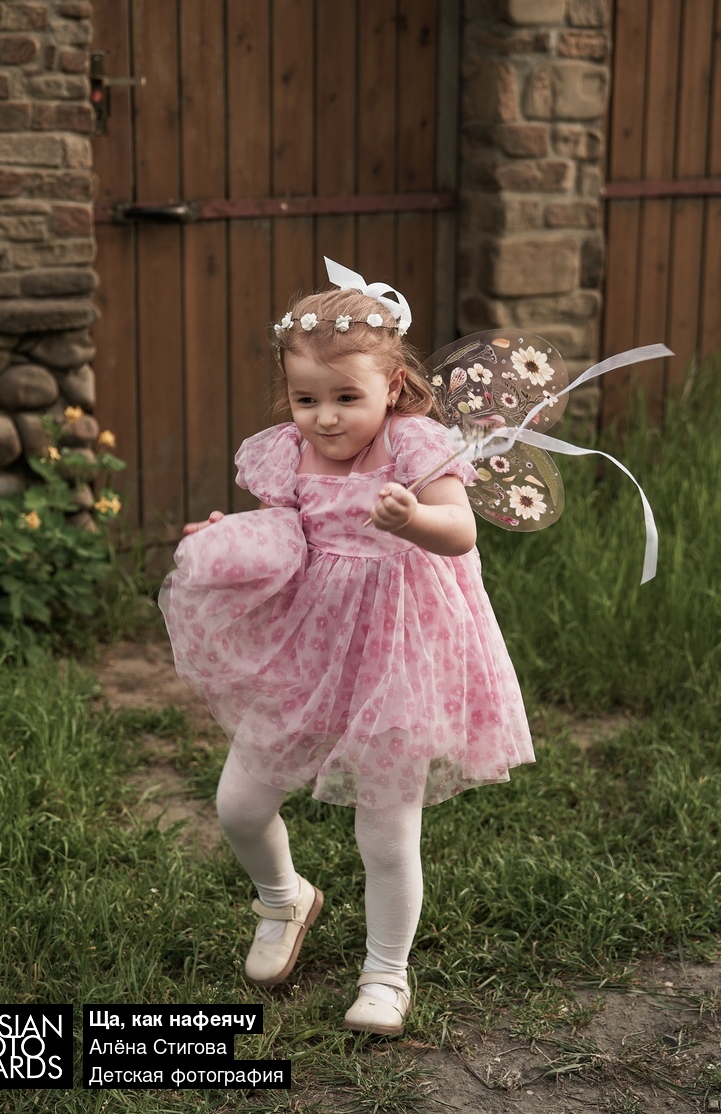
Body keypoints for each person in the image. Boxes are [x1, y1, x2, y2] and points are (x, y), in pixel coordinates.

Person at [159, 259, 535, 1036]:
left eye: (345, 399)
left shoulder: (415, 446)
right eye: (306, 400)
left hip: (397, 653)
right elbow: (288, 531)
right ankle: (284, 900)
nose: (324, 419)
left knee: (385, 832)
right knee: (239, 804)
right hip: (306, 646)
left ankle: (385, 974)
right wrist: (230, 535)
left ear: (391, 388)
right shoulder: (286, 452)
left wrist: (413, 520)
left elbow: (459, 532)